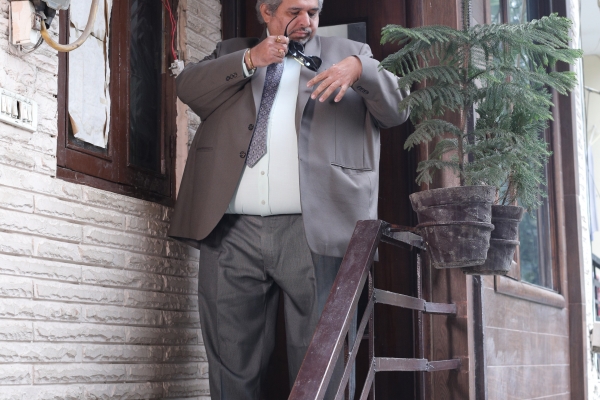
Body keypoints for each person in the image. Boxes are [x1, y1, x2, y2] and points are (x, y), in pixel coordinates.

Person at [168, 0, 409, 398]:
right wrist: (250, 59)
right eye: (293, 11)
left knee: (319, 361)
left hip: (314, 229)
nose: (305, 22)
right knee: (230, 360)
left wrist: (360, 69)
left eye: (313, 12)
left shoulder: (350, 56)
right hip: (230, 231)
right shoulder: (231, 51)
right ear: (266, 11)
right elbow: (187, 88)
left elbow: (398, 109)